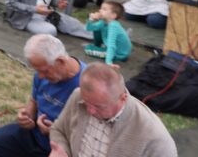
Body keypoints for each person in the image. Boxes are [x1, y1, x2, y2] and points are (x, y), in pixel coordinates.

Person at [0, 34, 86, 157]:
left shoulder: (86, 86)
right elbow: (34, 101)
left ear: (60, 61)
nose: (40, 76)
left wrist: (56, 132)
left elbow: (89, 136)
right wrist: (27, 114)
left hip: (62, 148)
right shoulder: (43, 73)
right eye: (37, 71)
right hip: (33, 134)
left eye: (44, 71)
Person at [49, 63, 177, 157]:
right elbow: (58, 130)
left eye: (99, 106)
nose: (90, 111)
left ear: (123, 98)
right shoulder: (78, 95)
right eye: (87, 103)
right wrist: (61, 151)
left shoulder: (155, 138)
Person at [85, 1, 132, 65]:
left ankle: (102, 51)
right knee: (97, 29)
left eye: (104, 9)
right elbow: (89, 28)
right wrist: (91, 19)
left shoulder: (113, 25)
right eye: (101, 8)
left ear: (113, 15)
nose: (100, 10)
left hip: (118, 54)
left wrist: (109, 62)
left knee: (88, 49)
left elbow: (111, 45)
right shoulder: (103, 21)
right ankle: (98, 47)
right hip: (112, 49)